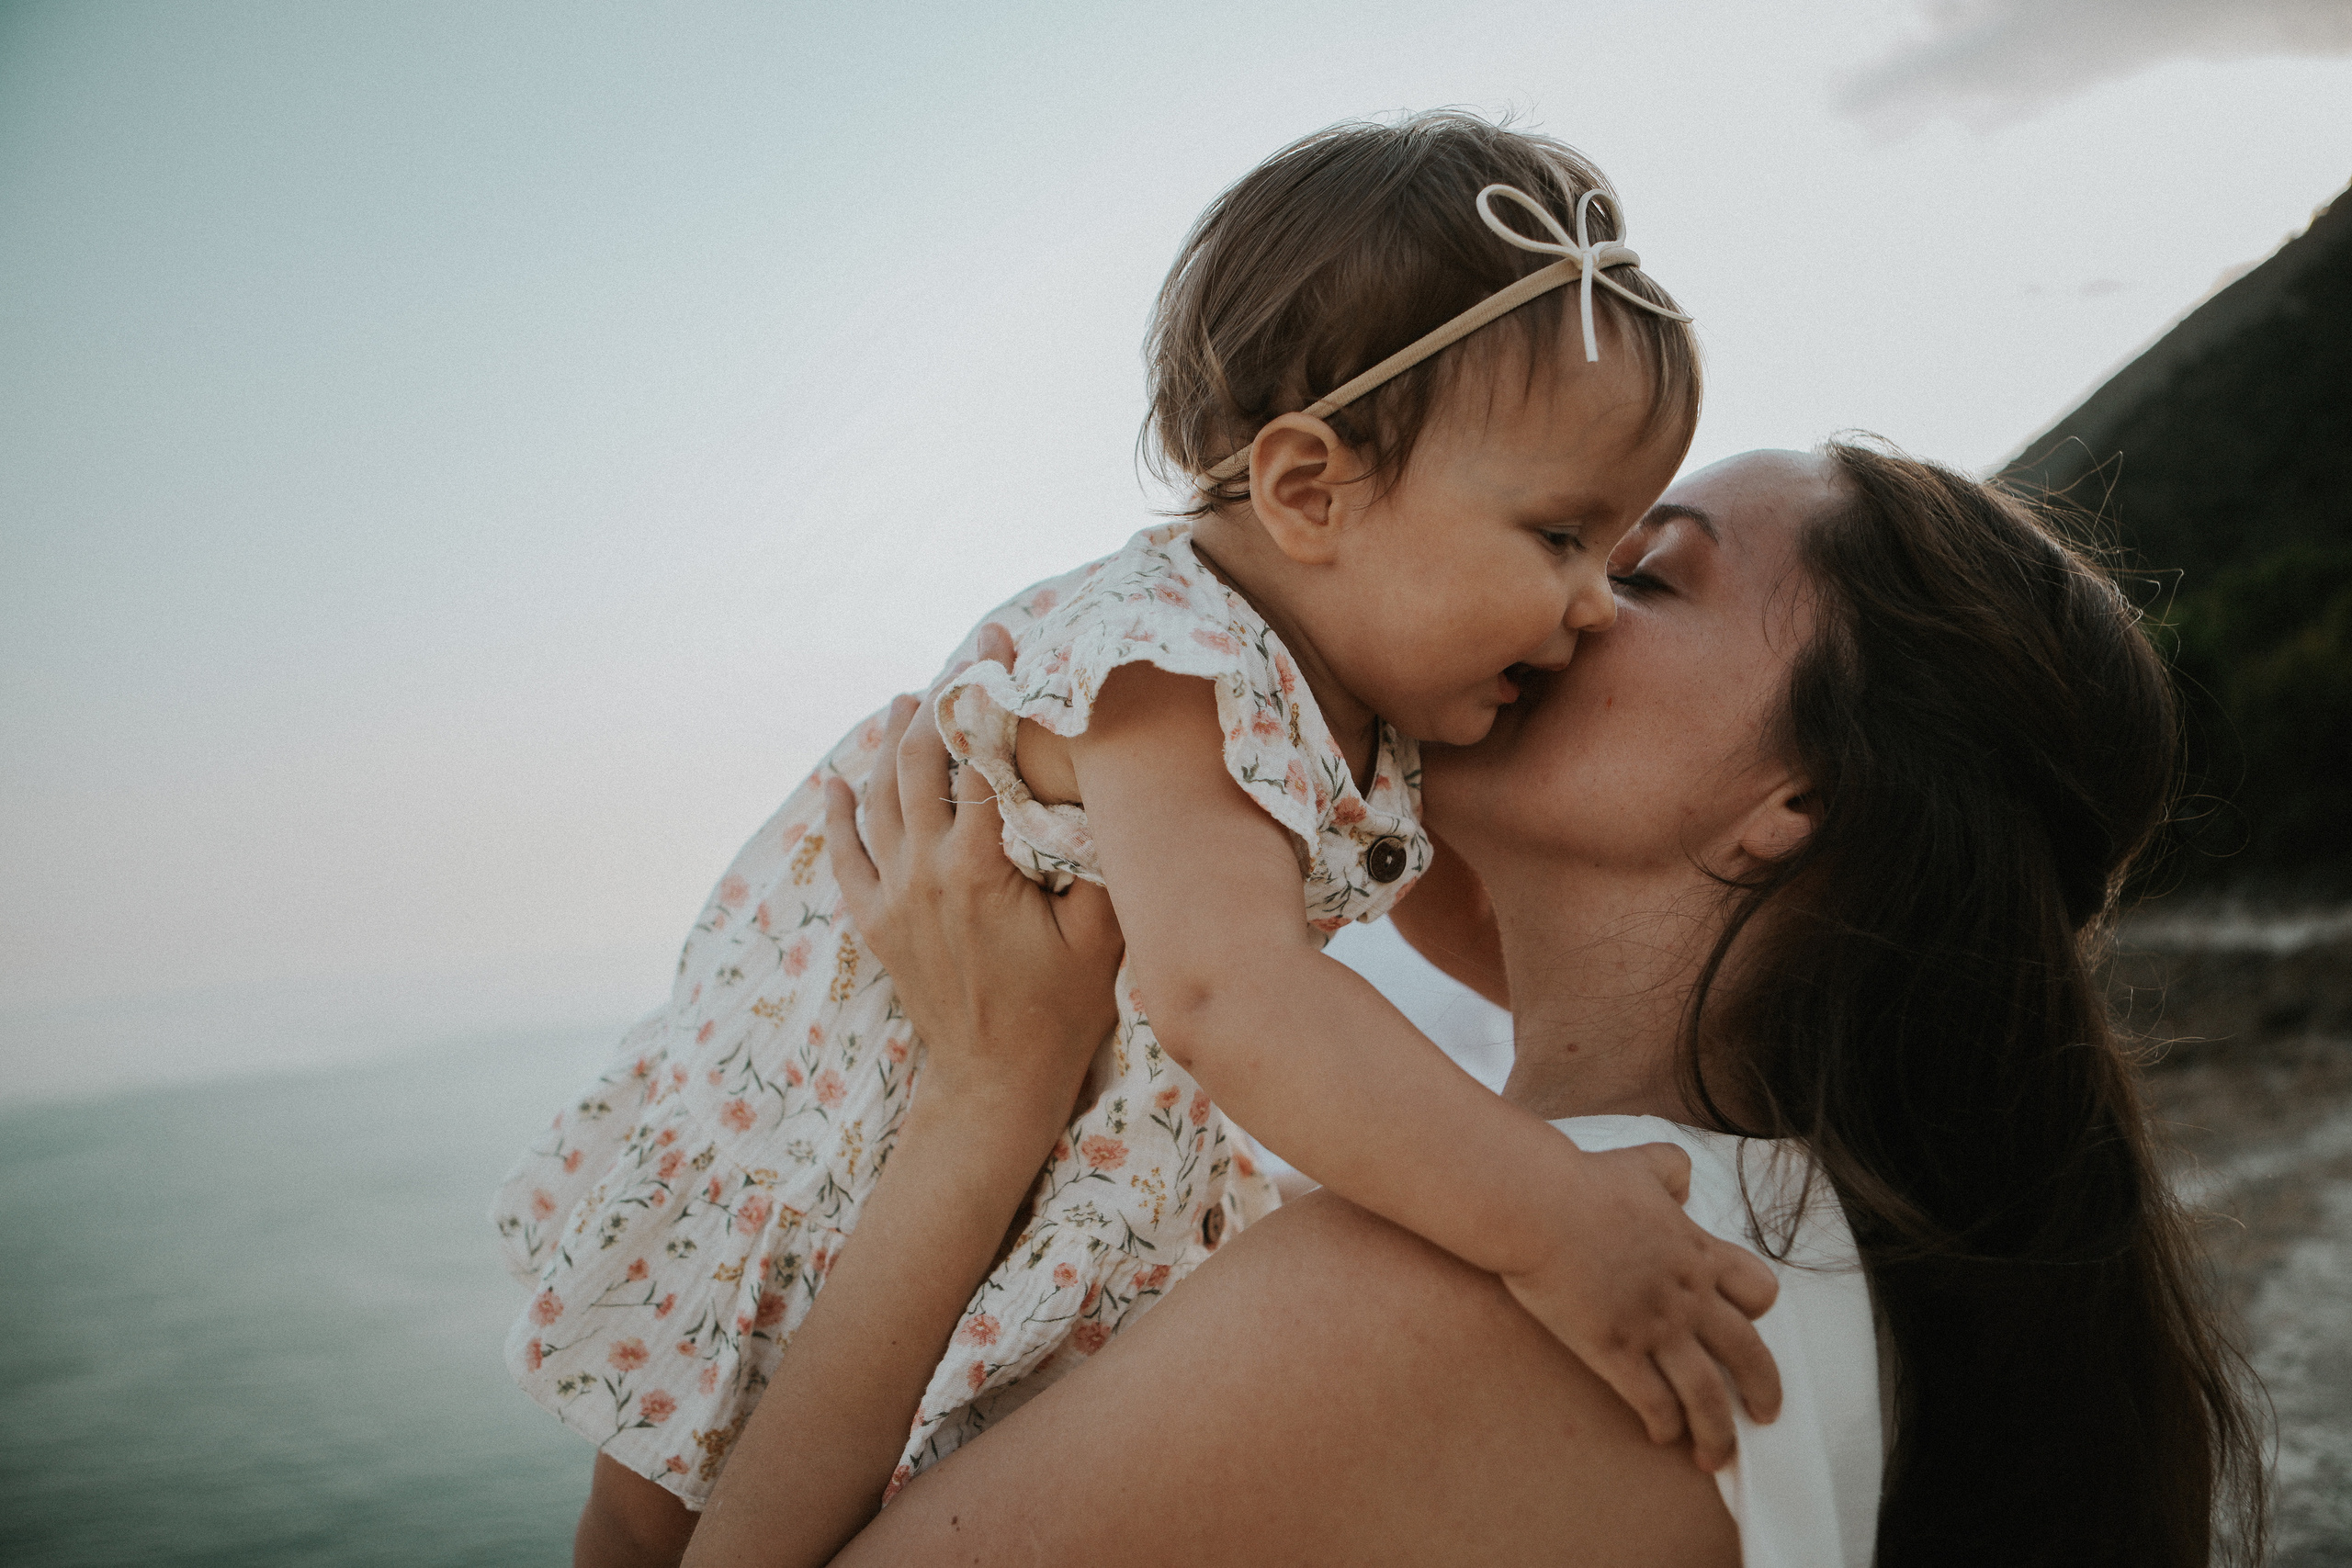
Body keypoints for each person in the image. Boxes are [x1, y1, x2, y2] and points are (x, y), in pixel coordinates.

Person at [493, 108, 1783, 1550]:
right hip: (836, 1128)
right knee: (667, 1497)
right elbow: (1228, 990)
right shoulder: (1174, 670)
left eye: (1616, 557)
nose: (1594, 604)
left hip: (1029, 1116)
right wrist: (1553, 1221)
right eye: (1560, 539)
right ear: (1310, 489)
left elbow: (1468, 923)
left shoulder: (1370, 702)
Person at [651, 442, 2267, 1567]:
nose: (1555, 601)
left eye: (1641, 573)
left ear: (1802, 800)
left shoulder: (1509, 1277)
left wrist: (982, 1102)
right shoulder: (1810, 1242)